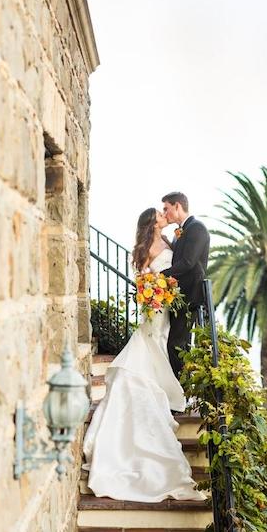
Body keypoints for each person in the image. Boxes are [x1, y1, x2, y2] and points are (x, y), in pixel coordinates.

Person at [83, 206, 205, 503]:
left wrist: (164, 289)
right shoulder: (146, 248)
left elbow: (179, 268)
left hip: (165, 305)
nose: (165, 216)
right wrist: (154, 290)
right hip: (156, 307)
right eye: (161, 215)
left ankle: (164, 389)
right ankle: (155, 394)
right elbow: (144, 278)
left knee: (161, 349)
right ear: (153, 223)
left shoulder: (170, 242)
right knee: (151, 348)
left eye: (166, 212)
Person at [162, 191, 211, 380]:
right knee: (181, 345)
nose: (164, 213)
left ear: (177, 206)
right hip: (179, 296)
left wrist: (160, 276)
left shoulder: (197, 228)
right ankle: (183, 391)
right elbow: (180, 256)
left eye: (166, 208)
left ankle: (181, 392)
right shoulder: (180, 231)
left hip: (190, 295)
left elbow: (189, 262)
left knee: (175, 344)